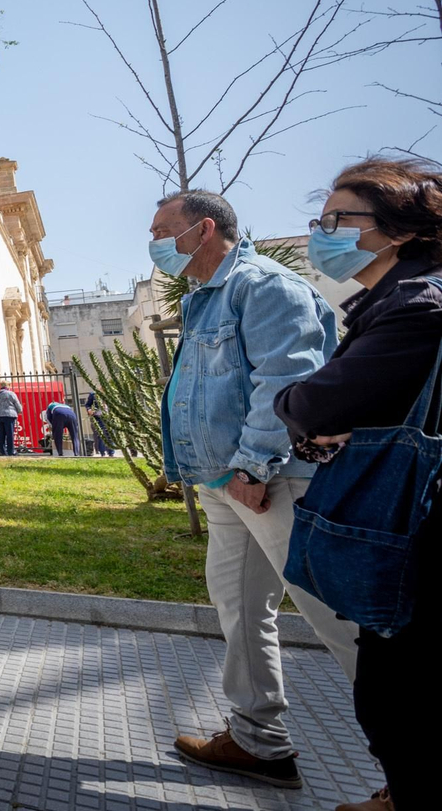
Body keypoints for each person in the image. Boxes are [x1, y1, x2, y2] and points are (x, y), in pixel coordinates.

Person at [148, 189, 357, 790]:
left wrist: (253, 466)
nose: (155, 243)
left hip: (270, 481)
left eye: (163, 230)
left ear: (203, 229)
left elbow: (289, 381)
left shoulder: (264, 287)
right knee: (240, 610)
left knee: (339, 619)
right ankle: (258, 740)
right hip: (228, 486)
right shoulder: (202, 299)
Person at [273, 156, 442, 811]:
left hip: (411, 527)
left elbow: (315, 404)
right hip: (401, 518)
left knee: (395, 695)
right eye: (321, 221)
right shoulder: (392, 299)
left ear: (397, 229)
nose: (324, 233)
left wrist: (299, 405)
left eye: (340, 219)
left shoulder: (417, 303)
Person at [0, 382, 21, 455]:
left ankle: (3, 452)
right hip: (9, 415)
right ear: (8, 386)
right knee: (9, 434)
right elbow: (18, 405)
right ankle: (11, 451)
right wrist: (19, 411)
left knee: (0, 434)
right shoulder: (11, 394)